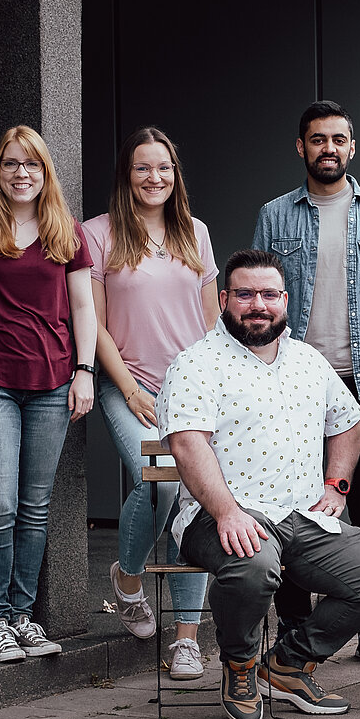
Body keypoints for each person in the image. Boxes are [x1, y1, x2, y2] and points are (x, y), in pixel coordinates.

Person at [158, 249, 360, 719]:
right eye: (245, 294)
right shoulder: (196, 362)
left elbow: (350, 423)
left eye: (269, 294)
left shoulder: (307, 360)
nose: (258, 305)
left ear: (285, 300)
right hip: (216, 515)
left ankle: (288, 664)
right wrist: (227, 512)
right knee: (255, 567)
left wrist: (337, 485)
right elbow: (188, 445)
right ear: (225, 299)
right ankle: (241, 664)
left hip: (299, 515)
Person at [253, 100, 360, 670]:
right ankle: (296, 623)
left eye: (339, 139)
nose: (329, 149)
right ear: (301, 147)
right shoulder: (275, 215)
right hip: (290, 380)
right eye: (318, 139)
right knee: (290, 501)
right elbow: (260, 295)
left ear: (352, 146)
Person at [0, 125, 96, 663]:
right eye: (10, 164)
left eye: (30, 164)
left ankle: (24, 617)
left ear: (45, 171)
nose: (21, 173)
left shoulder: (65, 232)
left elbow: (83, 310)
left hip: (53, 382)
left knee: (35, 508)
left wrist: (85, 371)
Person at [87, 127, 219, 681]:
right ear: (126, 174)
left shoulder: (195, 232)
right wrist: (131, 387)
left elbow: (213, 320)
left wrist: (219, 387)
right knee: (162, 480)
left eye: (163, 167)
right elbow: (89, 320)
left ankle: (186, 637)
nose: (154, 178)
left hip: (191, 391)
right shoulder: (97, 234)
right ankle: (129, 578)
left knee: (197, 500)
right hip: (130, 387)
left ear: (175, 173)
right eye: (143, 168)